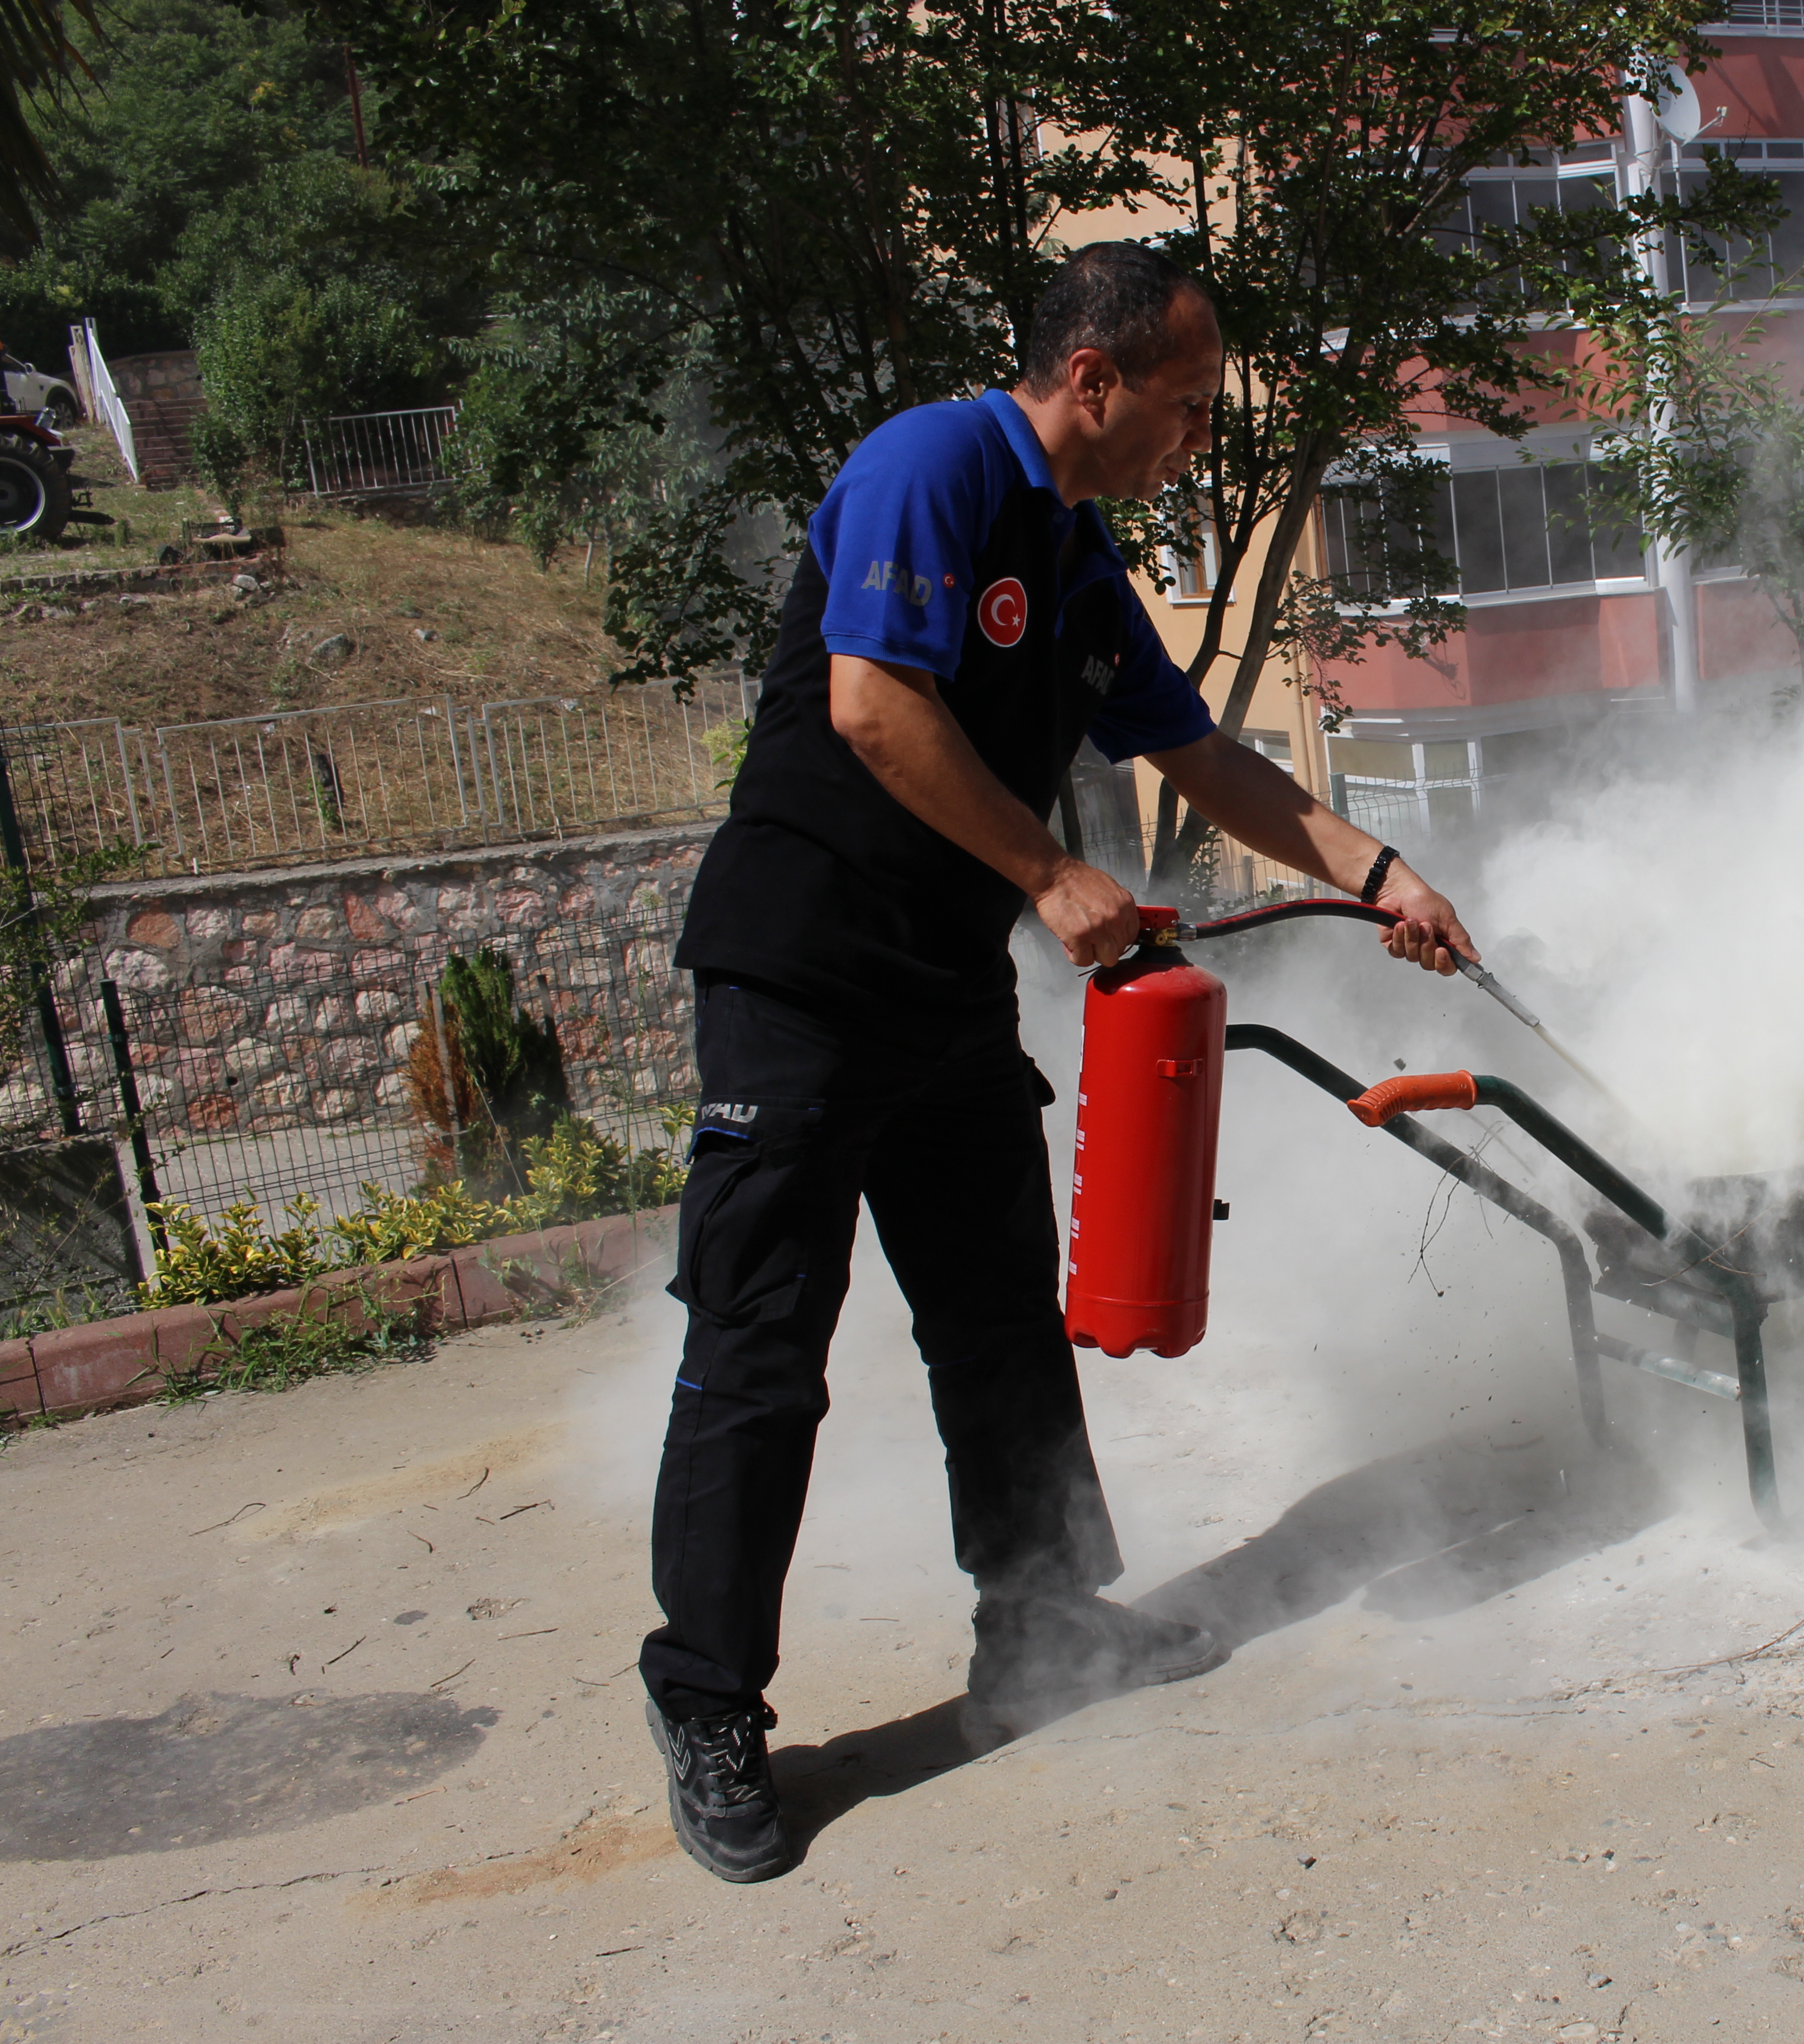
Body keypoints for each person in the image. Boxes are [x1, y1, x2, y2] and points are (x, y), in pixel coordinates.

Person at [642, 243, 1479, 1884]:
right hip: (801, 980)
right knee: (759, 1356)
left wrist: (1382, 877)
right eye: (1181, 406)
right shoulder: (930, 465)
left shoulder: (1079, 559)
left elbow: (1199, 754)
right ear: (1089, 379)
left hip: (946, 992)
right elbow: (874, 703)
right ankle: (711, 1707)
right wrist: (1050, 875)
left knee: (999, 1332)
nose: (1193, 438)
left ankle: (1040, 1624)